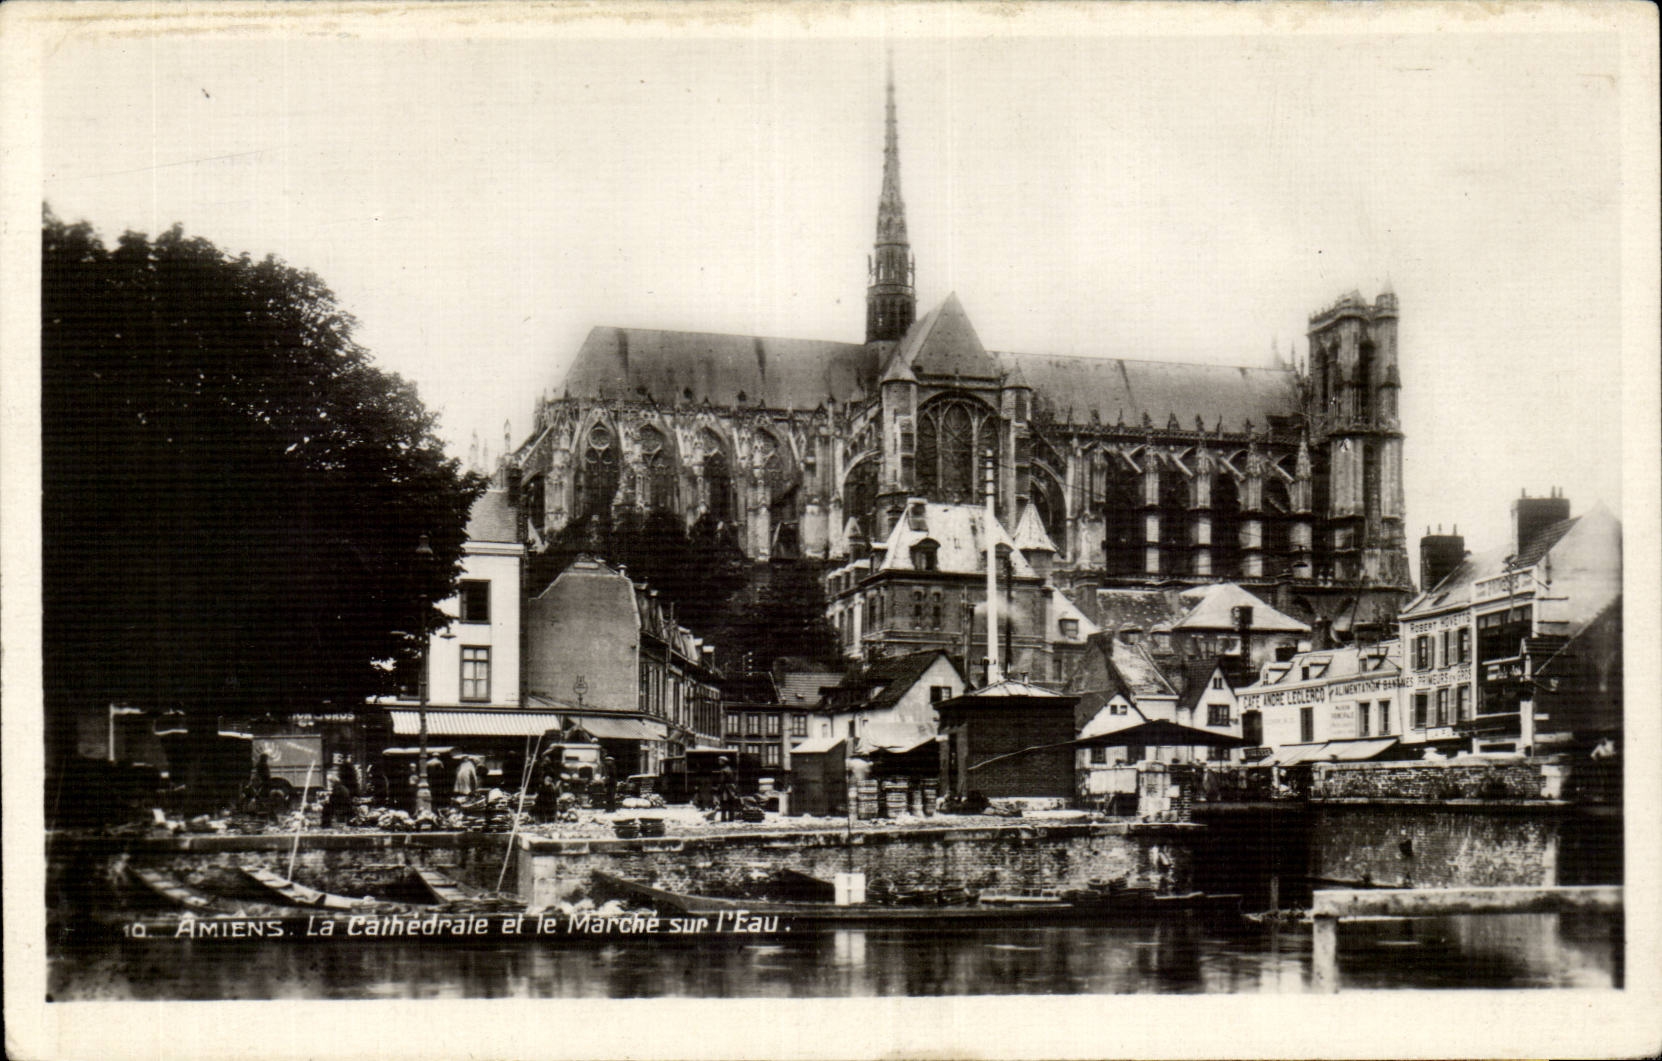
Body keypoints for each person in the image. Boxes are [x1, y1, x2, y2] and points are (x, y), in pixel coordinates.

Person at [715, 756, 739, 823]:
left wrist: (718, 789)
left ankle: (723, 818)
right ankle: (731, 818)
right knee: (731, 803)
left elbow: (721, 780)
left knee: (724, 803)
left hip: (725, 789)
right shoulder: (729, 769)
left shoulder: (723, 770)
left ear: (723, 762)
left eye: (720, 761)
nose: (719, 762)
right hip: (731, 788)